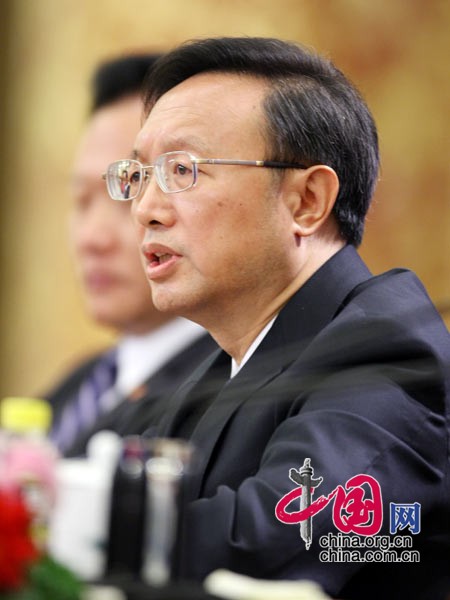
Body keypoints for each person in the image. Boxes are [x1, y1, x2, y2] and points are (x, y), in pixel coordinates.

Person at [104, 37, 450, 599]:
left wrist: (70, 528)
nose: (145, 209)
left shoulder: (386, 350)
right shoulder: (220, 362)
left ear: (307, 201)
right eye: (140, 174)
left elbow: (275, 540)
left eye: (183, 170)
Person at [45, 53, 216, 458]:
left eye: (130, 190)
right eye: (82, 200)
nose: (92, 238)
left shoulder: (230, 393)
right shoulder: (78, 386)